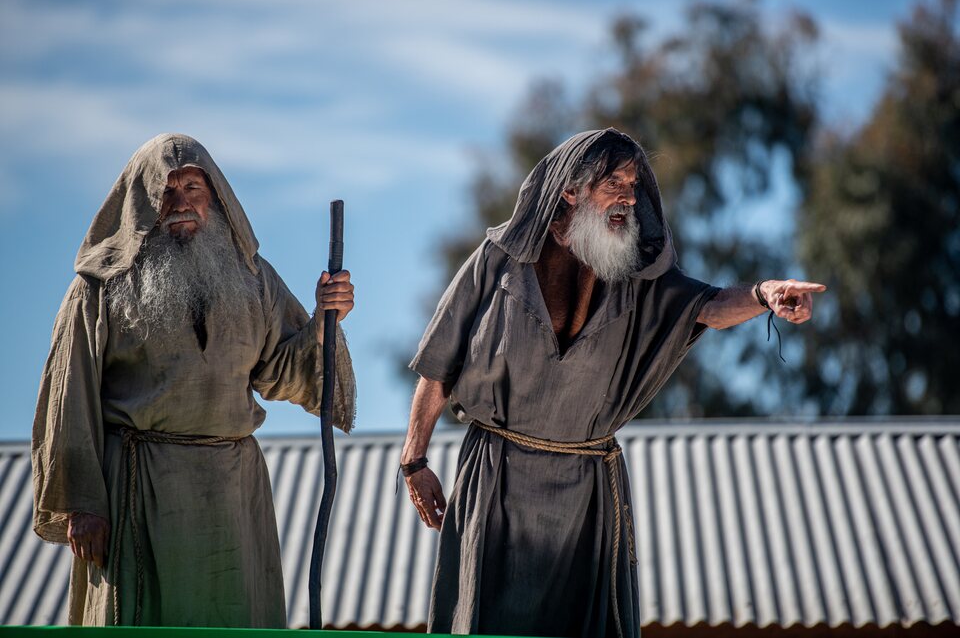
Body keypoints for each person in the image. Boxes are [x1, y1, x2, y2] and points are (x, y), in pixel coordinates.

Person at [401, 128, 825, 637]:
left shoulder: (639, 277)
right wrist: (414, 460)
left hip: (586, 492)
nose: (628, 194)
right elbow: (437, 363)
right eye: (613, 182)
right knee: (486, 623)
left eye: (632, 182)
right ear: (571, 190)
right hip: (495, 475)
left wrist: (765, 293)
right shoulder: (499, 261)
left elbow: (707, 307)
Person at [32, 133, 357, 628]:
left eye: (193, 188)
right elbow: (67, 396)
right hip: (138, 492)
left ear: (216, 196)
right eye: (167, 191)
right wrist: (81, 503)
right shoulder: (99, 289)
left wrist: (323, 321)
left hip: (232, 497)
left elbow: (284, 374)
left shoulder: (252, 279)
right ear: (142, 202)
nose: (181, 202)